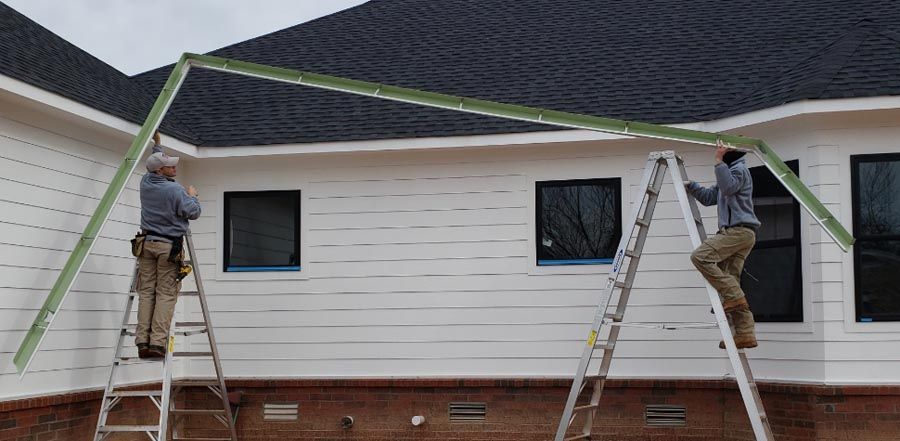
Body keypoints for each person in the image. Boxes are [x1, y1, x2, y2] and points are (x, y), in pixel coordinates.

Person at [685, 141, 761, 349]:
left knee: (700, 257)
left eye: (723, 149)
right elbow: (710, 197)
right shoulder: (729, 172)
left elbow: (728, 188)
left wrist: (718, 161)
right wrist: (692, 187)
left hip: (739, 231)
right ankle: (745, 334)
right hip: (739, 233)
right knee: (731, 280)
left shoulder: (739, 170)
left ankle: (734, 297)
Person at [136, 131, 201, 358]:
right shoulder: (174, 190)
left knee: (146, 293)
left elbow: (154, 161)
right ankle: (157, 344)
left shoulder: (145, 183)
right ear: (159, 170)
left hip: (146, 245)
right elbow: (192, 213)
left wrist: (157, 145)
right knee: (165, 293)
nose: (174, 169)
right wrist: (192, 196)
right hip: (168, 247)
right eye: (169, 167)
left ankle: (142, 342)